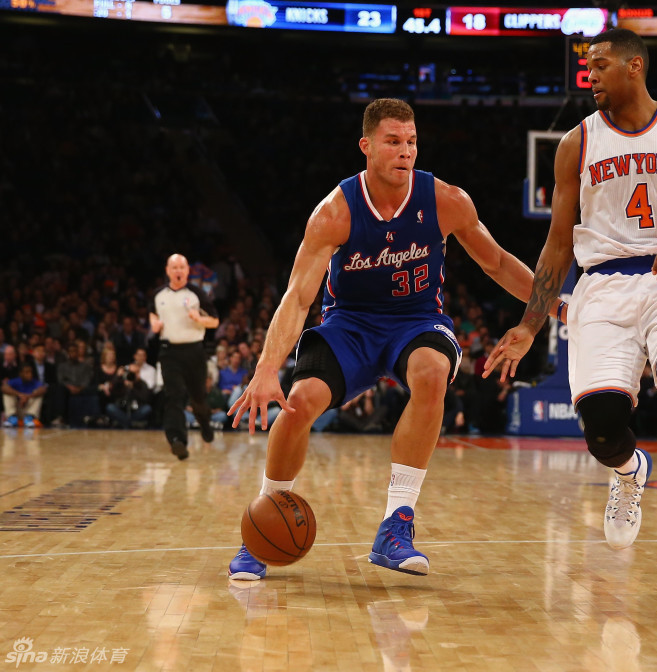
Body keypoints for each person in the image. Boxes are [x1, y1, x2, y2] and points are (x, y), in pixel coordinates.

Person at [226, 98, 563, 581]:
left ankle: (396, 525)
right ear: (365, 146)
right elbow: (298, 298)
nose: (405, 151)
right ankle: (263, 524)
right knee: (299, 404)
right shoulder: (334, 212)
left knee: (432, 373)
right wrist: (264, 370)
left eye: (411, 141)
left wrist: (554, 306)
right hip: (350, 324)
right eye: (393, 141)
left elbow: (497, 262)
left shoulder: (446, 200)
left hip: (416, 320)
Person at [482, 29, 657, 606]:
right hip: (601, 284)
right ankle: (628, 471)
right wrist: (530, 324)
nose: (590, 75)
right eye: (588, 67)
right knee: (601, 425)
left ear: (634, 67)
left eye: (600, 65)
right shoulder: (575, 144)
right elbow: (557, 244)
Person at [149, 253, 220, 460]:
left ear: (188, 271)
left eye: (182, 267)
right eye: (174, 267)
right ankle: (176, 440)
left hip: (194, 351)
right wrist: (154, 324)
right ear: (167, 270)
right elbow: (153, 313)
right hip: (169, 352)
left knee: (198, 397)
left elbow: (215, 321)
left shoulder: (198, 294)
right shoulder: (158, 294)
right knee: (174, 395)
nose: (178, 271)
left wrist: (199, 319)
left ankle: (204, 423)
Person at [2, 362, 48, 428]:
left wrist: (27, 396)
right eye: (27, 372)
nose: (30, 374)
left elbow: (43, 389)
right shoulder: (16, 381)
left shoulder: (34, 382)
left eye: (31, 372)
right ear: (21, 373)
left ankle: (29, 418)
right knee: (7, 394)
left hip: (28, 410)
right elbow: (3, 388)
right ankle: (12, 418)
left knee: (38, 394)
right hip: (17, 410)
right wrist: (19, 395)